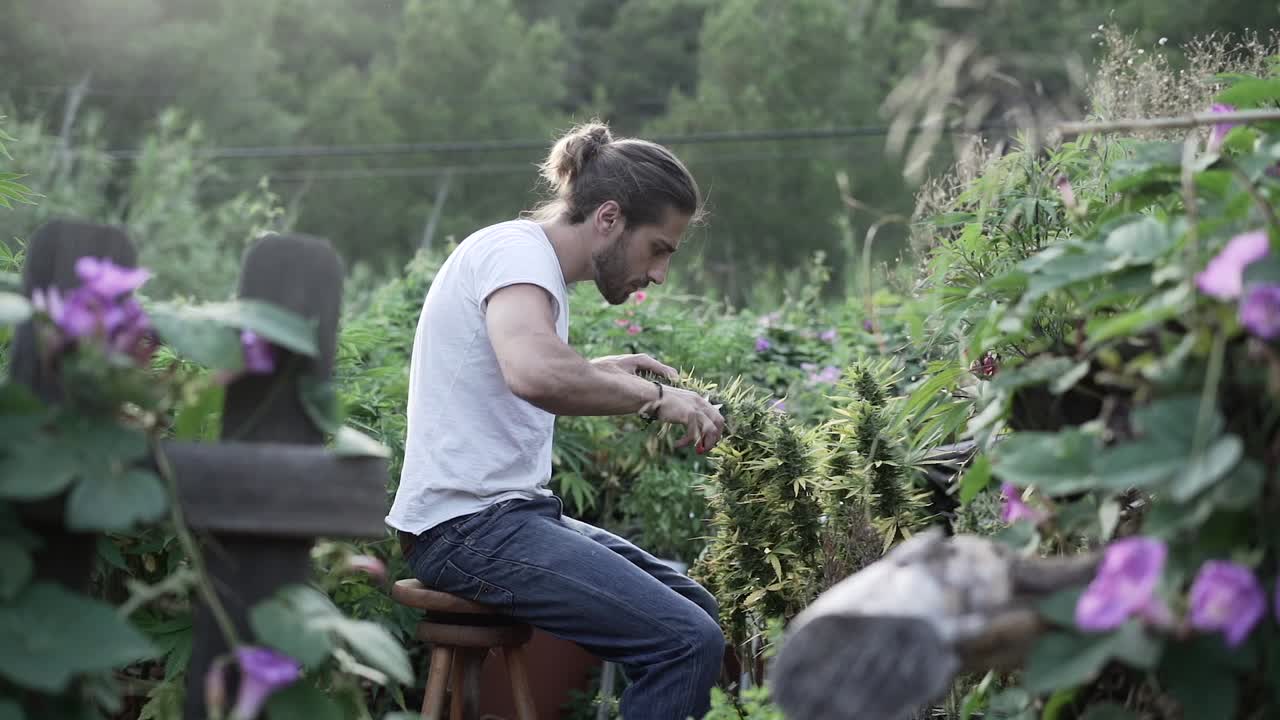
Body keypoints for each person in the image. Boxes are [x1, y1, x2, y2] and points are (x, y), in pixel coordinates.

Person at [387, 120, 729, 720]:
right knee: (684, 643)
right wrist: (651, 399)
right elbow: (535, 373)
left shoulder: (524, 263)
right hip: (467, 529)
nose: (658, 275)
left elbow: (502, 369)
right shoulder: (518, 253)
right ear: (609, 218)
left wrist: (599, 368)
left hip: (501, 518)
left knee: (695, 609)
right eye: (659, 249)